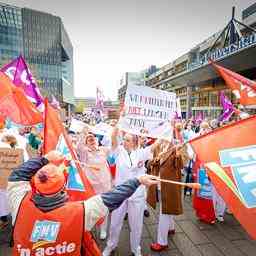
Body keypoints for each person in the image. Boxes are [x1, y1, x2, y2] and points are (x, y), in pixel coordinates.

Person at [7, 150, 159, 256]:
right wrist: (138, 181)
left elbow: (16, 176)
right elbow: (111, 198)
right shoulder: (79, 212)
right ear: (63, 188)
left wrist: (46, 158)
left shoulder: (19, 202)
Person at [103, 128, 159, 256]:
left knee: (136, 224)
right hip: (120, 194)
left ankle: (135, 248)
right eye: (124, 139)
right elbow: (113, 137)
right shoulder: (119, 151)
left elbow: (155, 145)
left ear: (134, 142)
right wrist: (120, 121)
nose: (124, 142)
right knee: (115, 222)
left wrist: (167, 129)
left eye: (127, 140)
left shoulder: (141, 153)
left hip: (136, 194)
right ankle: (111, 245)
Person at [147, 139, 187, 252]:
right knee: (167, 209)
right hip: (159, 184)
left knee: (164, 212)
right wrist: (156, 158)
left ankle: (162, 242)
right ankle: (171, 228)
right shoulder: (158, 146)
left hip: (170, 186)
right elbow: (152, 164)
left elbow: (181, 165)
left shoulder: (177, 146)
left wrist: (178, 154)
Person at [77, 132, 112, 240]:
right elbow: (79, 147)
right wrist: (83, 133)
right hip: (91, 185)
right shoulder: (85, 153)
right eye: (88, 139)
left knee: (104, 207)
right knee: (91, 208)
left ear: (97, 140)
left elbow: (114, 145)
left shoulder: (103, 150)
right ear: (86, 143)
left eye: (92, 137)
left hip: (105, 184)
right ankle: (89, 228)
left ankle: (103, 229)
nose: (91, 139)